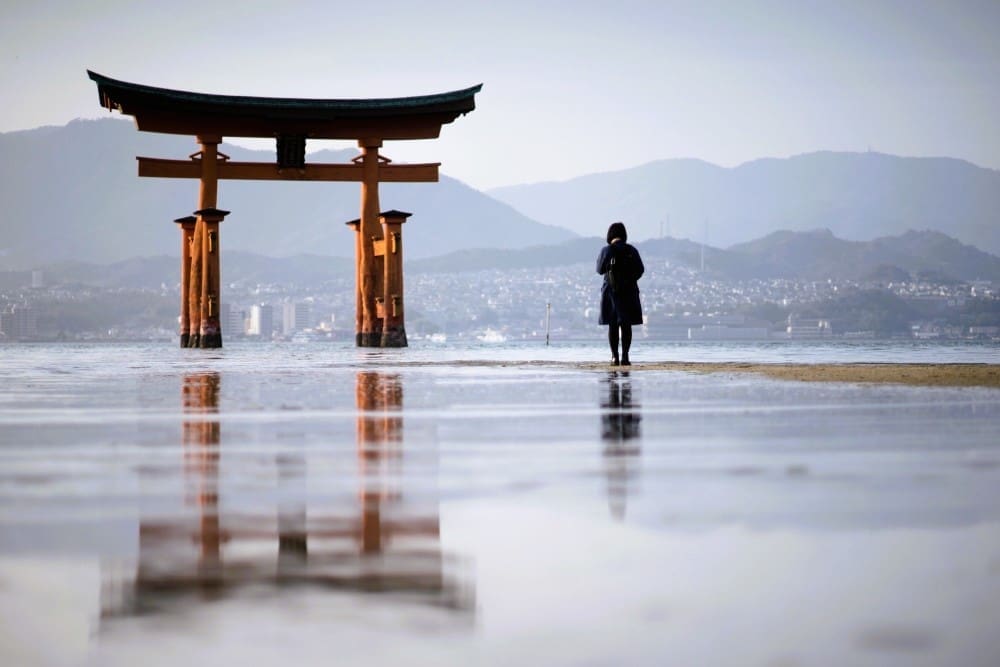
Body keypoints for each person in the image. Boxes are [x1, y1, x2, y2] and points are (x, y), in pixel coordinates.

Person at [596, 221, 644, 365]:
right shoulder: (632, 250)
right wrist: (629, 280)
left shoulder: (606, 250)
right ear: (624, 235)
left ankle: (614, 357)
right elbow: (640, 270)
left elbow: (599, 270)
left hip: (611, 291)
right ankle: (625, 357)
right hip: (628, 291)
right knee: (626, 325)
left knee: (613, 325)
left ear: (610, 235)